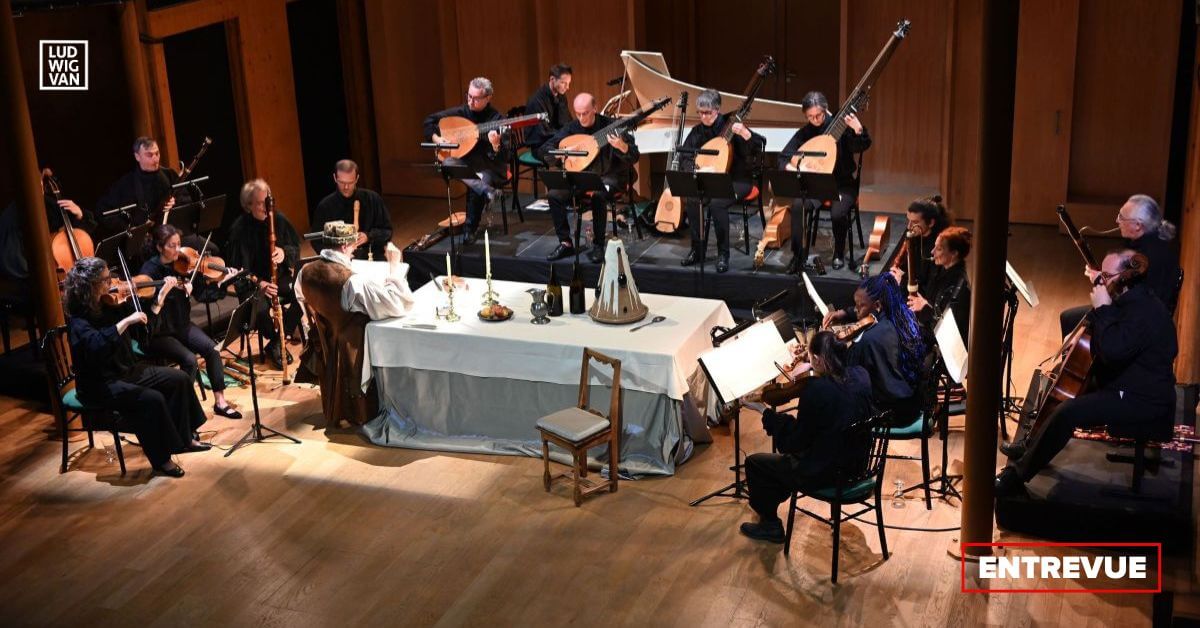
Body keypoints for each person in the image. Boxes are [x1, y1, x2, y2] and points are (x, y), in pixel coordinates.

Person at [997, 250, 1178, 494]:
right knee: (1062, 389)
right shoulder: (1130, 295)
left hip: (1140, 397)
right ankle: (1032, 444)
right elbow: (1109, 325)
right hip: (1126, 379)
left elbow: (1112, 351)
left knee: (1068, 411)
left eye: (1106, 275)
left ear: (1125, 277)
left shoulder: (1143, 313)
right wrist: (1083, 329)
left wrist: (1102, 308)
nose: (1100, 280)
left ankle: (1017, 476)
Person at [63, 256, 210, 478]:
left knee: (178, 379)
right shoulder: (79, 320)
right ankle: (162, 461)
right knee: (152, 399)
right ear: (91, 286)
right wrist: (125, 322)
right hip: (100, 383)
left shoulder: (111, 304)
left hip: (126, 370)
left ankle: (185, 438)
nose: (112, 282)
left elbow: (144, 335)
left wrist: (159, 300)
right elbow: (96, 345)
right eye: (105, 279)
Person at [739, 331, 874, 542]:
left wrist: (764, 412)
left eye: (810, 358)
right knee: (785, 465)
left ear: (818, 359)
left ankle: (770, 525)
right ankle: (778, 493)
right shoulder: (861, 375)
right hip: (858, 466)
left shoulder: (816, 390)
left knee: (756, 464)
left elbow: (794, 442)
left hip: (828, 473)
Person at [295, 221, 415, 427]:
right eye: (352, 246)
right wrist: (394, 268)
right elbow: (396, 305)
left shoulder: (304, 272)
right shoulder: (351, 281)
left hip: (325, 340)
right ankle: (361, 412)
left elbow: (304, 300)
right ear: (344, 246)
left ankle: (336, 410)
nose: (354, 251)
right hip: (352, 344)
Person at [139, 224, 243, 418]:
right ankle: (184, 412)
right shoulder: (149, 270)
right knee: (189, 360)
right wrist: (165, 292)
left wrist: (222, 281)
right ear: (159, 247)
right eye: (171, 246)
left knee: (212, 350)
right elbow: (148, 310)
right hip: (160, 331)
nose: (177, 250)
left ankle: (220, 402)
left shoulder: (182, 264)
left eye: (179, 244)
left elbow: (204, 295)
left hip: (181, 324)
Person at [538, 92, 640, 262]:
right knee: (554, 195)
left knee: (598, 196)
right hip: (581, 178)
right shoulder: (572, 128)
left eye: (585, 113)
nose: (581, 118)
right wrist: (561, 153)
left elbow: (635, 156)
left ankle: (598, 245)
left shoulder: (612, 126)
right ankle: (565, 243)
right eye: (577, 113)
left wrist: (622, 146)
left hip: (610, 177)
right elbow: (544, 150)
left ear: (595, 109)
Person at [1059, 194, 1181, 337]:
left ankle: (1088, 352)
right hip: (1140, 312)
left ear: (1138, 225)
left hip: (1138, 323)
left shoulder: (1147, 257)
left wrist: (1102, 280)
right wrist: (1105, 276)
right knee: (1071, 318)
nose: (1117, 220)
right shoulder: (1149, 240)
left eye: (1122, 217)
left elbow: (1130, 297)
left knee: (1069, 319)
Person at [778, 92, 871, 273]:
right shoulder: (805, 133)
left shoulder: (840, 126)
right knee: (798, 206)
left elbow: (861, 146)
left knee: (837, 213)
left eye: (818, 115)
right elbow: (783, 158)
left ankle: (838, 252)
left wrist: (858, 130)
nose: (815, 120)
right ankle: (798, 256)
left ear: (825, 110)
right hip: (817, 184)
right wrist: (797, 169)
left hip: (842, 184)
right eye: (810, 116)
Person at [678, 89, 765, 274]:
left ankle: (723, 254)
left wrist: (746, 134)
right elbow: (685, 156)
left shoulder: (731, 126)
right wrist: (696, 169)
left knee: (717, 203)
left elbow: (759, 146)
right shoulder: (697, 132)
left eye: (707, 112)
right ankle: (697, 250)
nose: (703, 117)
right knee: (692, 199)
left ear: (717, 110)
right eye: (700, 112)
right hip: (708, 178)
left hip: (737, 179)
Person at [823, 273, 926, 422]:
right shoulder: (903, 318)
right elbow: (863, 311)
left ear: (877, 305)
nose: (856, 310)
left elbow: (847, 373)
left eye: (860, 306)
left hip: (891, 414)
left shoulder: (869, 340)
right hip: (911, 401)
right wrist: (844, 313)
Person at [223, 178, 302, 369]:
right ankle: (276, 342)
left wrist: (284, 253)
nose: (266, 208)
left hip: (279, 277)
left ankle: (278, 340)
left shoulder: (279, 219)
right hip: (253, 284)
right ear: (248, 205)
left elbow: (295, 247)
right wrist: (260, 284)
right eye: (260, 203)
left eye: (267, 201)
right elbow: (237, 270)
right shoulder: (239, 230)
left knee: (302, 293)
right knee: (259, 309)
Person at [423, 77, 510, 245]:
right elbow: (429, 121)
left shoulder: (496, 120)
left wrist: (496, 145)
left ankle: (470, 229)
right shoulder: (461, 113)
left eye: (476, 98)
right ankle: (487, 191)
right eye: (469, 96)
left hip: (488, 166)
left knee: (479, 179)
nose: (470, 101)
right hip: (465, 164)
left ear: (488, 98)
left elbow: (505, 157)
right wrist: (438, 139)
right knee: (447, 163)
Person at [0, 172, 96, 280]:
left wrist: (80, 215)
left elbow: (82, 236)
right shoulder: (10, 218)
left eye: (40, 183)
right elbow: (11, 261)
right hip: (36, 282)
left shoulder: (50, 204)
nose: (39, 189)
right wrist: (45, 274)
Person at [95, 137, 179, 238]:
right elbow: (102, 211)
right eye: (149, 155)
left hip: (172, 232)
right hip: (143, 239)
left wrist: (175, 202)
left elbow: (186, 200)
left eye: (157, 153)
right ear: (137, 157)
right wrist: (128, 228)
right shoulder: (125, 184)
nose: (155, 159)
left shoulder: (169, 175)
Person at [312, 159, 393, 261]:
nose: (346, 187)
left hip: (372, 256)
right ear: (335, 178)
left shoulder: (373, 199)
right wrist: (339, 253)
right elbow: (317, 241)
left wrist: (368, 236)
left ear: (357, 178)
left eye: (350, 183)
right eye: (342, 182)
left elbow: (387, 231)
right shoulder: (325, 206)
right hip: (339, 261)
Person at [906, 226, 971, 347]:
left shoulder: (958, 286)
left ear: (954, 254)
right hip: (928, 332)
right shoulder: (941, 269)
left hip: (940, 345)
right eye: (934, 246)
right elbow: (932, 301)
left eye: (939, 249)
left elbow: (948, 331)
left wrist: (924, 308)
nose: (932, 252)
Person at [890, 195, 952, 296]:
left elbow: (930, 290)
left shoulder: (938, 247)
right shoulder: (914, 235)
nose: (909, 226)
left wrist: (902, 280)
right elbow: (904, 268)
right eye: (908, 220)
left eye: (915, 222)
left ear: (931, 223)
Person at [523, 63, 573, 153]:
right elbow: (542, 133)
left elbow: (567, 121)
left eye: (568, 83)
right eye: (563, 83)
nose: (567, 87)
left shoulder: (561, 96)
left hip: (557, 139)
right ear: (552, 79)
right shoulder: (536, 101)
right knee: (568, 154)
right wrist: (565, 135)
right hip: (541, 145)